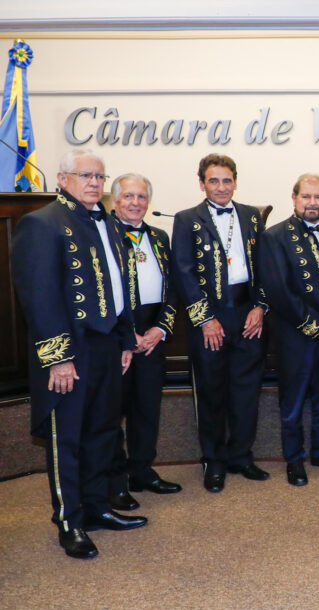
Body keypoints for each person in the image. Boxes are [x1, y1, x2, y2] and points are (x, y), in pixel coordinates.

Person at [12, 149, 145, 559]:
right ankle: (69, 522)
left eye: (99, 177)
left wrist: (125, 340)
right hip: (71, 349)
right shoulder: (42, 223)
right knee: (66, 438)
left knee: (103, 432)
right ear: (62, 178)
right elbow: (39, 296)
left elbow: (119, 287)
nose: (94, 183)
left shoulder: (105, 221)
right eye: (85, 175)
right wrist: (58, 357)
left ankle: (97, 507)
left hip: (106, 346)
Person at [170, 154, 269, 493]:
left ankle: (241, 454)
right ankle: (213, 460)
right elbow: (182, 272)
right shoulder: (186, 219)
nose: (221, 187)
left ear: (235, 182)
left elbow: (264, 266)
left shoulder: (252, 216)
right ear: (202, 184)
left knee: (246, 390)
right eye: (214, 181)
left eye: (227, 180)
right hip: (209, 318)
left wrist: (260, 307)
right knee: (211, 391)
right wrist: (205, 319)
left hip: (247, 314)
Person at [258, 174, 319, 486]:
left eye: (318, 197)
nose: (313, 203)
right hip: (295, 333)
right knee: (293, 400)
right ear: (294, 198)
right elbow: (279, 290)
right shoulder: (275, 236)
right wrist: (314, 325)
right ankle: (294, 458)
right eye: (306, 197)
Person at [108, 173, 181, 512]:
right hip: (116, 339)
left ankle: (142, 471)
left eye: (141, 197)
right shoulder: (102, 235)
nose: (135, 203)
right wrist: (128, 334)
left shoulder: (159, 237)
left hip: (153, 336)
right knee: (113, 413)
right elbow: (101, 295)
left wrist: (160, 330)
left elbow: (172, 290)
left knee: (147, 408)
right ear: (114, 200)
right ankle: (115, 481)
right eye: (129, 197)